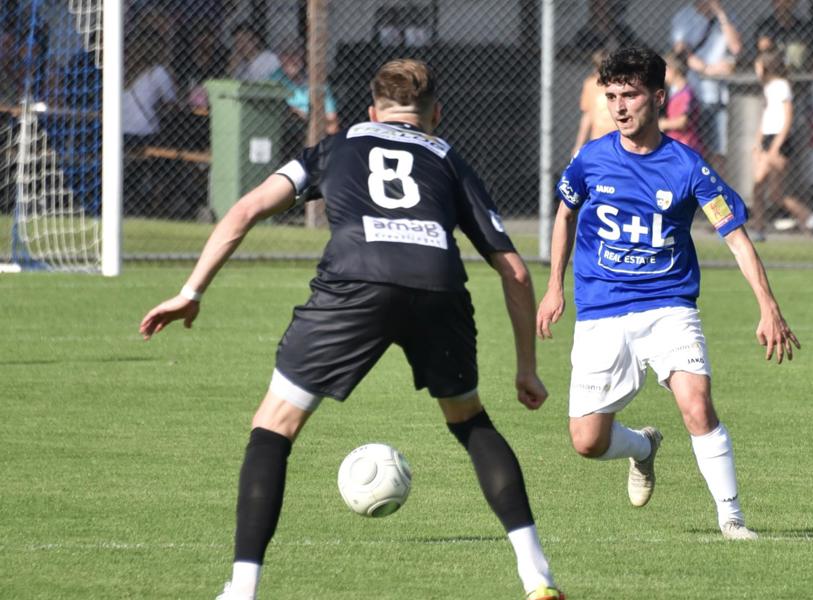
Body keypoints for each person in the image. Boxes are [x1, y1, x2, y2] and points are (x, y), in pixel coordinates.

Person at [139, 58, 565, 600]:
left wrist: (190, 292)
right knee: (470, 420)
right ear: (436, 114)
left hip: (354, 281)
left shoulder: (336, 146)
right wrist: (526, 368)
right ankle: (538, 578)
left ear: (371, 111)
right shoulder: (449, 157)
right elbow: (515, 271)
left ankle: (242, 591)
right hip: (436, 282)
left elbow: (246, 209)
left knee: (273, 427)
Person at [537, 46, 800, 541]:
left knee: (696, 403)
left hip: (668, 305)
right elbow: (565, 213)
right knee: (587, 442)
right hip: (602, 308)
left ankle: (732, 518)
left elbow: (737, 238)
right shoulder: (590, 160)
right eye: (611, 96)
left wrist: (768, 305)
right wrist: (554, 286)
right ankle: (641, 447)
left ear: (658, 98)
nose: (618, 107)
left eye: (629, 95)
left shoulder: (688, 167)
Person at [749, 50, 813, 241]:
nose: (756, 69)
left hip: (779, 140)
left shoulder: (782, 86)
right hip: (767, 138)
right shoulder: (767, 87)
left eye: (758, 66)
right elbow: (766, 117)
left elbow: (787, 118)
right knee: (763, 189)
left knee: (771, 191)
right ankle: (760, 229)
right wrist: (758, 142)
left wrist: (776, 145)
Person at [671, 0, 742, 175]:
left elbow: (736, 48)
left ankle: (714, 197)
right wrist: (707, 69)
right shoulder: (683, 17)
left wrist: (721, 14)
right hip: (692, 93)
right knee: (692, 149)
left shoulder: (727, 17)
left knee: (718, 151)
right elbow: (680, 52)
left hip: (718, 96)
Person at [571, 49, 617, 157]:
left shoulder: (619, 85)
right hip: (598, 140)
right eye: (599, 70)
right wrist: (578, 145)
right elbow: (587, 116)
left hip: (618, 141)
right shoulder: (590, 85)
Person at [659, 52, 702, 154]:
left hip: (685, 144)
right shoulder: (676, 92)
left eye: (665, 70)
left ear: (674, 70)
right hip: (676, 144)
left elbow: (682, 122)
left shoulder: (685, 94)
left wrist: (662, 123)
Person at [753, 0, 812, 71]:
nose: (781, 4)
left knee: (795, 49)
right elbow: (763, 46)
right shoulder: (766, 25)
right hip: (775, 68)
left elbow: (809, 46)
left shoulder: (802, 26)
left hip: (797, 69)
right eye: (777, 1)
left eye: (788, 1)